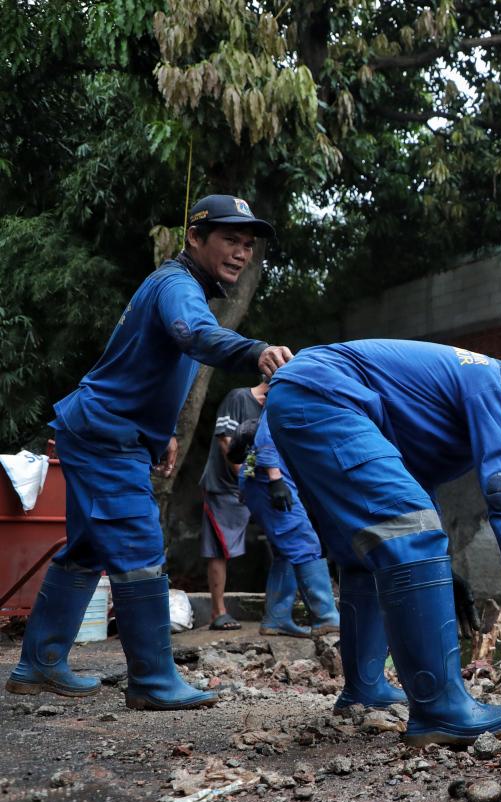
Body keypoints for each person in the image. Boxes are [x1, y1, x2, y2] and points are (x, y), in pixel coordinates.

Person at [4, 194, 293, 710]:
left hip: (107, 429)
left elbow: (146, 367)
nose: (241, 252)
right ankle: (154, 681)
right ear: (194, 238)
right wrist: (254, 350)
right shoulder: (177, 287)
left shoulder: (180, 288)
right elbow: (195, 336)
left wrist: (162, 432)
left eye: (248, 244)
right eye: (230, 239)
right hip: (105, 436)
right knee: (139, 552)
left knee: (86, 552)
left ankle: (38, 665)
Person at [265, 341, 501, 746]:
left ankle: (364, 689)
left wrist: (442, 569)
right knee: (411, 533)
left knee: (369, 552)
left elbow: (415, 480)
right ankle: (441, 711)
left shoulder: (476, 388)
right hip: (328, 397)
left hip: (304, 398)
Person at [228, 416, 344, 641]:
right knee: (304, 543)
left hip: (260, 474)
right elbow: (266, 435)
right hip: (269, 475)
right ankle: (326, 618)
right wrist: (275, 480)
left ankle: (277, 617)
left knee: (287, 551)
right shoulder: (291, 391)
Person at [199, 380, 267, 630]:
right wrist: (243, 480)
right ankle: (218, 612)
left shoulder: (272, 408)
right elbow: (226, 441)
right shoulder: (238, 397)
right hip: (225, 486)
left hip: (257, 484)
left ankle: (277, 613)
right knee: (219, 549)